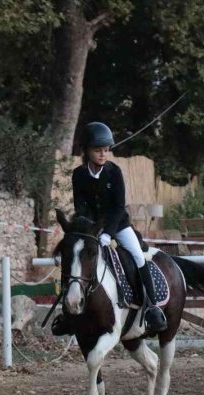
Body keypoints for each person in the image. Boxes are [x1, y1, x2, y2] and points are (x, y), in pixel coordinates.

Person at [54, 122, 167, 334]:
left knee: (137, 256)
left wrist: (107, 233)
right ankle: (68, 313)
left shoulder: (114, 172)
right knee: (73, 259)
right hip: (91, 228)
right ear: (86, 151)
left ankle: (153, 309)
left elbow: (117, 208)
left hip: (118, 225)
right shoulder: (78, 174)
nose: (103, 154)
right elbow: (81, 206)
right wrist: (88, 230)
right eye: (98, 150)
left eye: (106, 150)